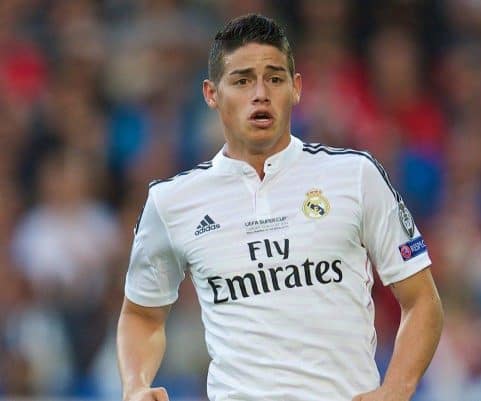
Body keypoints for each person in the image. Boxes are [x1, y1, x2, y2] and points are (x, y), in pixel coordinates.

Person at [117, 13, 443, 401]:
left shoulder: (355, 176)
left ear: (296, 88)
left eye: (274, 78)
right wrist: (135, 385)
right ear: (211, 93)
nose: (260, 94)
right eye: (241, 81)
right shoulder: (172, 202)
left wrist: (396, 389)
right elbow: (141, 314)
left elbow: (422, 300)